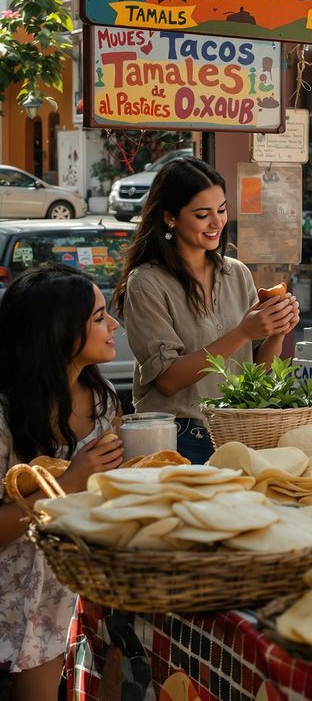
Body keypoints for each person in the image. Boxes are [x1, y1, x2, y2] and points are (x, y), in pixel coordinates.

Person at [114, 158, 299, 462]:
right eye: (202, 214)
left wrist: (276, 331)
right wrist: (243, 332)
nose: (217, 223)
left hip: (235, 432)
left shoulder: (237, 273)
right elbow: (168, 379)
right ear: (170, 217)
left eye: (222, 210)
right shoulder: (147, 282)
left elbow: (255, 375)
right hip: (178, 436)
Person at [0, 265, 124, 701]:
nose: (114, 325)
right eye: (98, 317)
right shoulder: (4, 417)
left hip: (74, 581)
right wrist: (67, 484)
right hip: (19, 589)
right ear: (58, 333)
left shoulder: (103, 397)